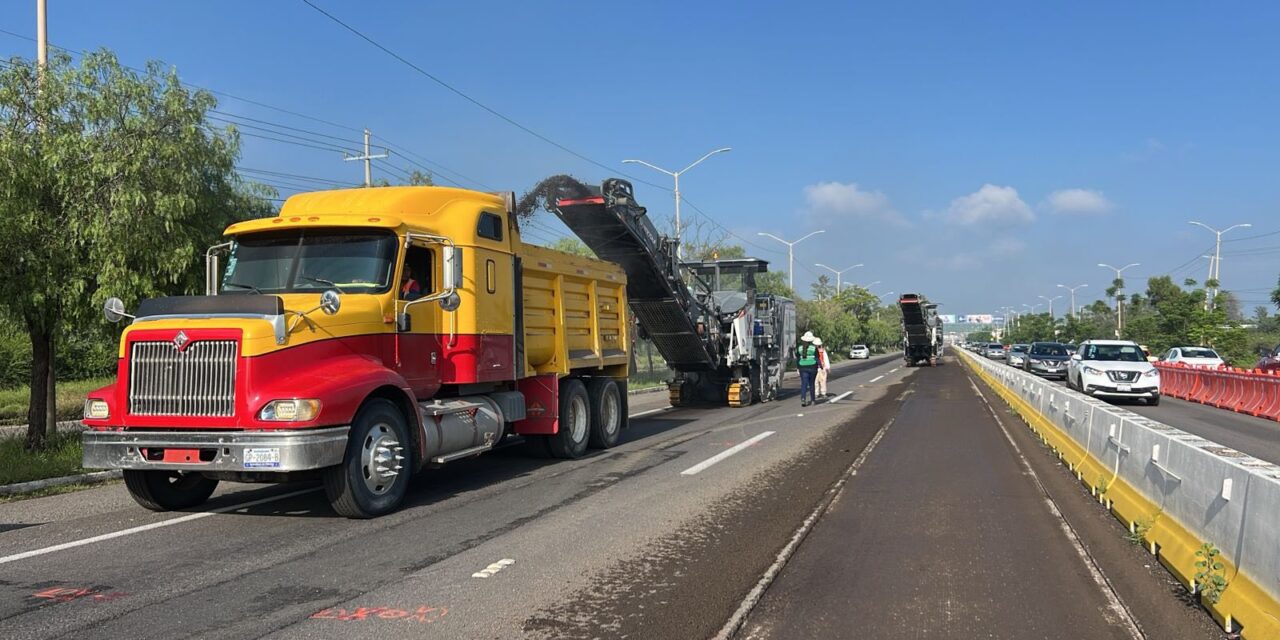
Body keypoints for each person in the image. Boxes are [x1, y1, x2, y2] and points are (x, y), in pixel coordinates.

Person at [797, 331, 820, 407]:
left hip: (802, 367)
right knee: (811, 384)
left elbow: (797, 359)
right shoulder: (814, 348)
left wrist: (798, 367)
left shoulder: (800, 348)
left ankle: (803, 398)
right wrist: (820, 366)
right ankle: (813, 400)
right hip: (812, 367)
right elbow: (817, 358)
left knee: (804, 384)